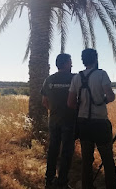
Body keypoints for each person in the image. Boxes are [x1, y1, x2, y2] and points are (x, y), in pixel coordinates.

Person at [68, 48, 116, 189]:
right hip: (100, 123)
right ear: (95, 59)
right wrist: (101, 101)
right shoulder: (101, 74)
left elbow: (70, 103)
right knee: (107, 160)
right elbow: (111, 96)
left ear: (83, 61)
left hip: (83, 123)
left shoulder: (77, 78)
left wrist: (82, 106)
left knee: (87, 160)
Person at [41, 53, 75, 189]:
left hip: (53, 120)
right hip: (69, 120)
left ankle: (49, 180)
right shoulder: (74, 78)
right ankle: (62, 182)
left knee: (53, 150)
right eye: (70, 62)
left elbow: (44, 102)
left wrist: (54, 110)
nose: (71, 65)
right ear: (66, 63)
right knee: (66, 152)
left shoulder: (49, 80)